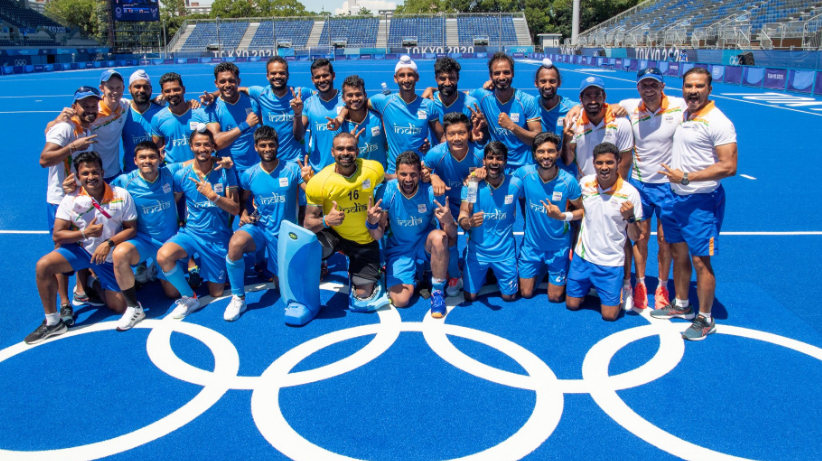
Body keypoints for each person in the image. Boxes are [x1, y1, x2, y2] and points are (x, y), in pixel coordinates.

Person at [650, 67, 737, 341]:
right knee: (678, 253)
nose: (693, 91)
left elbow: (729, 166)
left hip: (701, 200)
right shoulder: (686, 113)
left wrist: (686, 177)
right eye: (689, 86)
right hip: (675, 196)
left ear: (710, 89)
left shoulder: (718, 121)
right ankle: (682, 304)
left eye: (699, 86)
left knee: (700, 260)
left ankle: (706, 318)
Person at [25, 151, 137, 344]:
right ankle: (53, 322)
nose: (91, 177)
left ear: (102, 172)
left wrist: (108, 243)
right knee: (44, 265)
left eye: (95, 172)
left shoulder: (121, 195)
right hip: (81, 251)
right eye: (85, 173)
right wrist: (85, 234)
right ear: (77, 176)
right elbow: (58, 234)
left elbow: (131, 229)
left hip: (109, 257)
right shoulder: (70, 199)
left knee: (120, 306)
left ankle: (91, 283)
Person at [223, 126, 311, 321]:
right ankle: (238, 298)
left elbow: (313, 193)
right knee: (235, 243)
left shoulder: (292, 169)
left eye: (271, 144)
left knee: (281, 289)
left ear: (277, 145)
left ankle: (277, 271)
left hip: (284, 235)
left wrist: (309, 179)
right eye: (263, 145)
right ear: (256, 147)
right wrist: (244, 214)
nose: (268, 149)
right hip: (260, 229)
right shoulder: (249, 174)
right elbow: (243, 200)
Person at [617, 67, 687, 309]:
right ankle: (640, 284)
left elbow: (705, 108)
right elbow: (604, 106)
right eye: (644, 85)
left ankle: (662, 286)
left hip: (669, 186)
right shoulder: (629, 106)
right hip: (640, 185)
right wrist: (575, 110)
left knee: (666, 240)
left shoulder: (679, 106)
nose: (649, 89)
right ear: (638, 88)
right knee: (641, 237)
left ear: (662, 87)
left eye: (654, 84)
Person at [157, 128, 240, 319]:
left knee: (216, 292)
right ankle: (189, 297)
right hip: (191, 233)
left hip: (217, 237)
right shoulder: (182, 175)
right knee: (163, 256)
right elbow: (174, 202)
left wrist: (212, 196)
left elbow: (235, 209)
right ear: (191, 146)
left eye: (206, 144)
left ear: (213, 146)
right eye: (198, 144)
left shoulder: (225, 170)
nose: (202, 148)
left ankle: (206, 266)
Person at [304, 132, 386, 310]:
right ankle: (313, 279)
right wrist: (326, 220)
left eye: (350, 148)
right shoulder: (319, 182)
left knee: (363, 294)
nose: (345, 153)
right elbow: (308, 224)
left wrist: (425, 177)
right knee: (311, 245)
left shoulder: (373, 169)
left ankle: (364, 271)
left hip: (365, 239)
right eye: (340, 149)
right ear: (332, 152)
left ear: (357, 151)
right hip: (336, 236)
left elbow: (390, 179)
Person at [110, 141, 185, 330]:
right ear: (135, 160)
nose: (147, 161)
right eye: (142, 157)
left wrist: (219, 160)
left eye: (152, 157)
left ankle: (154, 268)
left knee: (172, 294)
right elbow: (99, 191)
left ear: (160, 158)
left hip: (168, 243)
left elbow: (193, 162)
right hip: (143, 240)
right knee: (120, 254)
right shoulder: (124, 181)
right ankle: (133, 307)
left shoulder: (169, 173)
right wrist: (74, 189)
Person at [372, 151, 457, 317]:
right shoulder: (386, 191)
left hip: (424, 243)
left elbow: (452, 236)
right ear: (396, 173)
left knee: (440, 237)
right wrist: (372, 223)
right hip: (399, 248)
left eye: (413, 174)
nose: (408, 179)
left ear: (420, 174)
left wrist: (449, 222)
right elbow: (378, 235)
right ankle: (418, 275)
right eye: (403, 174)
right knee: (400, 300)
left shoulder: (431, 191)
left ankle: (437, 292)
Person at [566, 143, 643, 321]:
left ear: (618, 162)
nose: (604, 167)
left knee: (610, 316)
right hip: (582, 259)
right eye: (600, 163)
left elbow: (635, 236)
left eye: (609, 162)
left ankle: (621, 287)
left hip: (610, 263)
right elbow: (579, 211)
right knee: (571, 304)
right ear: (594, 163)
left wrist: (630, 218)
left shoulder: (630, 193)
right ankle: (590, 285)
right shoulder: (585, 184)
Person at [330, 56, 443, 177]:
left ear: (417, 77)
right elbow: (355, 103)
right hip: (393, 172)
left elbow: (442, 138)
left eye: (410, 75)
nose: (406, 79)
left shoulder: (428, 106)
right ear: (395, 78)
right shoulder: (384, 102)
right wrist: (341, 117)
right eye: (402, 75)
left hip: (419, 171)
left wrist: (431, 157)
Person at [40, 86, 100, 309]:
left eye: (93, 105)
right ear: (74, 107)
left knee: (82, 244)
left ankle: (81, 290)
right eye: (85, 105)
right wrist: (72, 147)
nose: (90, 109)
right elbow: (45, 159)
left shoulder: (85, 129)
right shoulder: (65, 128)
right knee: (62, 249)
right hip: (60, 200)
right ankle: (65, 303)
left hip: (80, 198)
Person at [514, 132, 582, 301]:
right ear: (534, 154)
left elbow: (582, 211)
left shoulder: (568, 181)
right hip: (532, 247)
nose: (546, 156)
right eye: (541, 151)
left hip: (558, 248)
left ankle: (549, 267)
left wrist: (562, 216)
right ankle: (541, 268)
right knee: (525, 293)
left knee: (555, 297)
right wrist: (477, 173)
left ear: (558, 153)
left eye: (551, 151)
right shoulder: (524, 174)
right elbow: (500, 181)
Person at [424, 112, 485, 296]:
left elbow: (496, 170)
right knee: (449, 236)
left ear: (469, 133)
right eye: (451, 134)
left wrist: (483, 172)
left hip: (471, 200)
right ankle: (454, 275)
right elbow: (422, 172)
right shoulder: (436, 153)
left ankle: (477, 263)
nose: (456, 138)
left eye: (461, 133)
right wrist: (433, 176)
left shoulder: (479, 154)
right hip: (448, 202)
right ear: (445, 135)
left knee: (476, 234)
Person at [457, 141, 523, 302]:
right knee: (470, 297)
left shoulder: (516, 184)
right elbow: (463, 214)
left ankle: (495, 271)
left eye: (499, 158)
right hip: (478, 252)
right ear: (484, 161)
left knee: (509, 297)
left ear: (505, 162)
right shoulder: (472, 184)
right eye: (490, 158)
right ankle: (472, 259)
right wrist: (469, 222)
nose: (494, 162)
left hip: (505, 253)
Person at [468, 52, 541, 172]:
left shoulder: (527, 101)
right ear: (490, 76)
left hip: (524, 167)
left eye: (506, 72)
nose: (502, 77)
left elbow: (537, 140)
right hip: (496, 165)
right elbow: (458, 95)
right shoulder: (483, 95)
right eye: (497, 73)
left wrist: (512, 126)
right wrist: (433, 89)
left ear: (513, 73)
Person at [244, 57, 313, 163]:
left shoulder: (299, 93)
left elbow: (321, 94)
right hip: (271, 159)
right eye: (273, 73)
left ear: (287, 75)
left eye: (281, 73)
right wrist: (215, 94)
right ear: (267, 76)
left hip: (296, 160)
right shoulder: (260, 93)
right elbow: (239, 90)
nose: (277, 76)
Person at [201, 62, 261, 174]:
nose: (227, 85)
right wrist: (246, 125)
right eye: (222, 81)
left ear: (238, 81)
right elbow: (217, 143)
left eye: (231, 81)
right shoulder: (211, 109)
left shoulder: (253, 102)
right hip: (228, 168)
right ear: (216, 83)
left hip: (256, 167)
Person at [294, 58, 345, 172]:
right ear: (313, 80)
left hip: (344, 168)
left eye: (325, 75)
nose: (321, 80)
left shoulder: (345, 100)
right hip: (318, 170)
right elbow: (299, 136)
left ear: (333, 76)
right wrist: (297, 114)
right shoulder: (308, 104)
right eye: (317, 77)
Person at [533, 58, 577, 177]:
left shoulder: (571, 108)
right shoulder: (530, 106)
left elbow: (596, 107)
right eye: (543, 81)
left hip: (566, 173)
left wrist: (580, 107)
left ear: (559, 83)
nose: (547, 86)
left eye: (552, 81)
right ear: (536, 83)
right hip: (538, 174)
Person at [151, 72, 205, 164]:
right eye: (167, 91)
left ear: (183, 89)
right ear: (162, 93)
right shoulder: (158, 118)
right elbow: (157, 147)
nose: (172, 94)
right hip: (172, 170)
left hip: (198, 168)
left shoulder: (201, 114)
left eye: (176, 89)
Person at [339, 75, 387, 168]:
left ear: (365, 95)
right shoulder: (340, 125)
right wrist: (350, 145)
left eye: (358, 94)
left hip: (380, 174)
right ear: (343, 99)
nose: (354, 98)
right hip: (355, 175)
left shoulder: (378, 117)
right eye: (350, 95)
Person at [121, 70, 164, 174]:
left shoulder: (162, 112)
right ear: (129, 89)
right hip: (131, 172)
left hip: (158, 173)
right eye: (137, 86)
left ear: (151, 90)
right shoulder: (122, 113)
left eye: (146, 87)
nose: (142, 90)